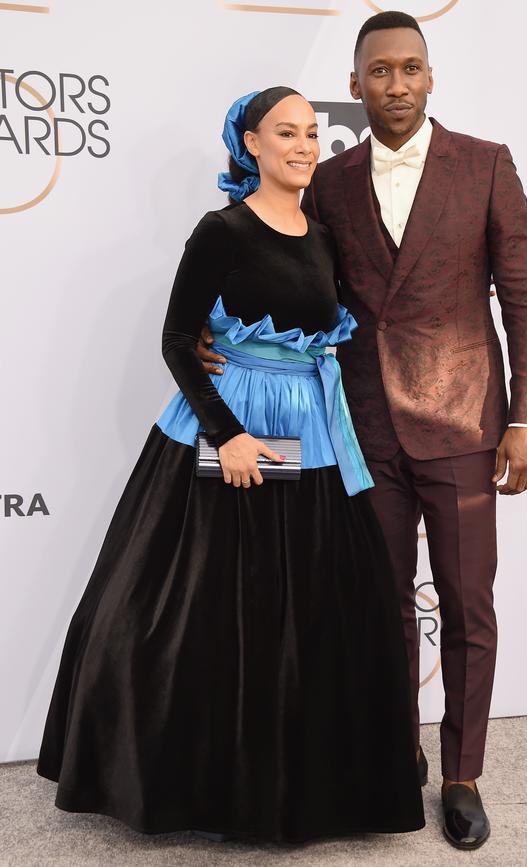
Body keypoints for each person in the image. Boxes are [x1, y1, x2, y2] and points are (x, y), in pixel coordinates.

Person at [198, 12, 527, 852]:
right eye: (379, 72)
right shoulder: (329, 178)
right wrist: (223, 330)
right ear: (354, 86)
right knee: (378, 605)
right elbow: (291, 273)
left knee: (467, 605)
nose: (396, 84)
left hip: (465, 421)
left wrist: (526, 416)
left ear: (430, 77)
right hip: (358, 429)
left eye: (410, 68)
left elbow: (525, 301)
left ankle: (462, 775)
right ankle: (400, 755)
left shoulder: (487, 165)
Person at [36, 86, 425, 843]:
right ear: (250, 143)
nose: (305, 145)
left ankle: (309, 783)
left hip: (309, 431)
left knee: (313, 609)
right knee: (210, 611)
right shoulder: (220, 232)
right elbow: (180, 340)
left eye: (312, 132)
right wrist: (229, 434)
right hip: (237, 434)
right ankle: (204, 787)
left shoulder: (322, 232)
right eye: (287, 132)